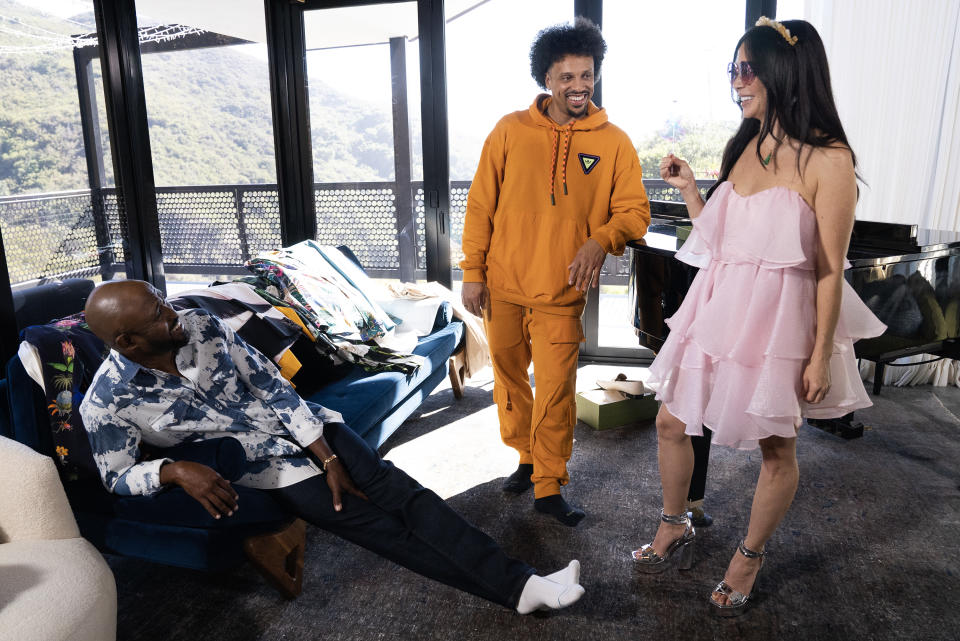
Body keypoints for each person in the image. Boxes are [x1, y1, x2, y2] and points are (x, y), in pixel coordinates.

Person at [79, 280, 586, 615]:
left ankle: (522, 583)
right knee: (387, 532)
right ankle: (520, 590)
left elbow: (271, 385)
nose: (174, 313)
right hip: (268, 469)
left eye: (164, 300)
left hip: (312, 429)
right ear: (127, 342)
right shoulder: (106, 403)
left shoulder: (202, 326)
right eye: (157, 313)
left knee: (409, 498)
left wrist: (327, 455)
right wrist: (172, 472)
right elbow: (116, 475)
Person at [631, 17, 885, 616]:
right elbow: (725, 241)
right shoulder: (746, 145)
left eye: (747, 70)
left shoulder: (830, 159)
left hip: (777, 327)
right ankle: (675, 523)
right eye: (734, 69)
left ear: (784, 73)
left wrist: (820, 354)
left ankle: (749, 555)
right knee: (672, 421)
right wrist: (695, 190)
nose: (737, 82)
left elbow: (828, 269)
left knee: (776, 451)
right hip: (719, 311)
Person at [460, 17, 650, 526]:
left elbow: (635, 212)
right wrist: (472, 271)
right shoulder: (509, 130)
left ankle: (549, 482)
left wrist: (599, 240)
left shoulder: (614, 142)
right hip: (501, 284)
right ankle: (525, 455)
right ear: (547, 79)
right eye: (567, 77)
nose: (579, 87)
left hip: (561, 291)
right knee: (508, 379)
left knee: (556, 388)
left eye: (587, 75)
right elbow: (480, 205)